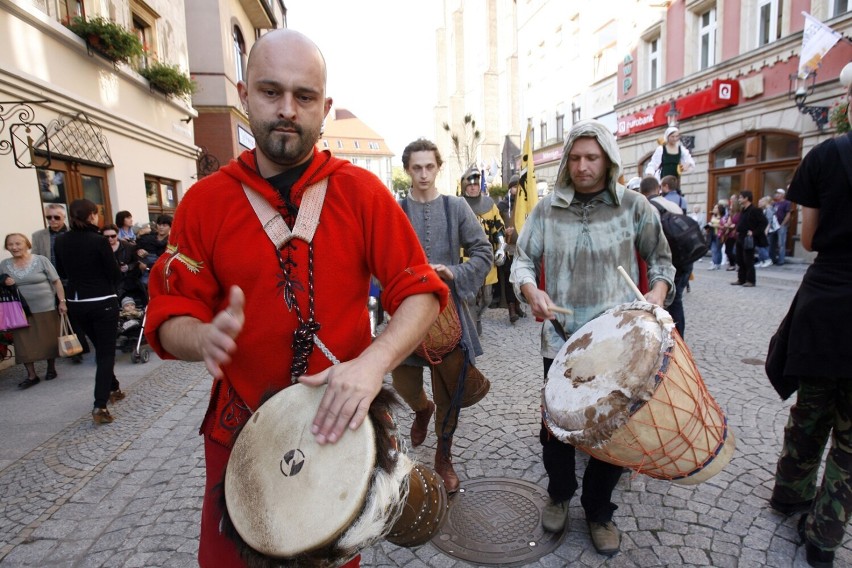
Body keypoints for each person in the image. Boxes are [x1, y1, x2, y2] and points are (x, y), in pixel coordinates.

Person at [143, 30, 446, 568]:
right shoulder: (203, 202)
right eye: (270, 92)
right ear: (243, 93)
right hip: (241, 431)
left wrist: (373, 363)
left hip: (338, 424)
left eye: (304, 97)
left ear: (323, 107)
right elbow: (169, 316)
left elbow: (421, 294)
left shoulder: (362, 193)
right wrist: (201, 336)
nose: (287, 110)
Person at [511, 119, 674, 556]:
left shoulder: (635, 207)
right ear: (566, 161)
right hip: (561, 340)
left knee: (611, 429)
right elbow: (522, 260)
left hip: (619, 343)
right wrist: (532, 290)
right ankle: (559, 494)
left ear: (608, 160)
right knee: (557, 426)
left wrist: (655, 298)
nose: (583, 167)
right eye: (576, 158)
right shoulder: (547, 210)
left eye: (592, 158)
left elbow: (662, 262)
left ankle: (600, 510)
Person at [770, 80, 852, 568]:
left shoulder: (824, 156)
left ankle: (789, 493)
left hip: (825, 304)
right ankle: (824, 536)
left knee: (811, 410)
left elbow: (808, 238)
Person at [393, 139, 492, 494]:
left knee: (449, 388)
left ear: (438, 168)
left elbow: (484, 251)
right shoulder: (396, 209)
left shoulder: (456, 207)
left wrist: (453, 272)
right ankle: (422, 409)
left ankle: (444, 456)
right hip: (406, 311)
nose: (423, 174)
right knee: (403, 380)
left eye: (429, 167)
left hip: (449, 313)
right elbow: (378, 259)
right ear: (408, 170)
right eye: (416, 167)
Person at [54, 199, 122, 424]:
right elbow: (113, 272)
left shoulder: (61, 240)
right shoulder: (98, 241)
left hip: (77, 303)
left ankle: (113, 388)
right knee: (105, 354)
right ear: (92, 216)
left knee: (101, 350)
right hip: (102, 300)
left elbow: (62, 271)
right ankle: (99, 404)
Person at [0, 233, 67, 388]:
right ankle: (31, 375)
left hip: (45, 306)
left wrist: (62, 302)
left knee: (48, 338)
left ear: (27, 244)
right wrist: (4, 282)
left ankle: (51, 368)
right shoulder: (4, 264)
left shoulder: (41, 260)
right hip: (18, 310)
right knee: (23, 342)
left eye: (18, 243)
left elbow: (56, 282)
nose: (14, 247)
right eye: (10, 244)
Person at [639, 176, 689, 337]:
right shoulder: (674, 204)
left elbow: (653, 245)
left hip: (665, 261)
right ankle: (679, 338)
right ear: (658, 189)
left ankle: (669, 338)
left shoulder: (647, 207)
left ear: (642, 191)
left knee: (662, 302)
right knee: (677, 300)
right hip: (683, 259)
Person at [460, 165, 505, 334]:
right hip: (466, 257)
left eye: (476, 185)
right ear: (465, 186)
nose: (473, 187)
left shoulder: (489, 205)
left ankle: (477, 317)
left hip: (486, 257)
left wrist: (501, 248)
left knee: (487, 298)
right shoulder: (459, 205)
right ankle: (471, 326)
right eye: (470, 185)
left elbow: (498, 228)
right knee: (470, 296)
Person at [496, 174, 526, 323]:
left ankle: (519, 305)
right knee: (509, 279)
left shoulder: (523, 204)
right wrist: (503, 231)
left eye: (518, 186)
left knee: (520, 277)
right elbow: (495, 225)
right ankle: (511, 308)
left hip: (522, 248)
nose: (516, 189)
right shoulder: (502, 206)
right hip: (508, 247)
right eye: (514, 186)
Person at [730, 190, 767, 288]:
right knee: (739, 259)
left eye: (741, 197)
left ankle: (750, 280)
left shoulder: (755, 210)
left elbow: (764, 222)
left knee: (748, 259)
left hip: (748, 238)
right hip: (740, 236)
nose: (739, 199)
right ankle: (741, 279)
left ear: (746, 198)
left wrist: (754, 232)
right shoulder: (743, 210)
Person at [103, 224, 146, 306]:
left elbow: (137, 262)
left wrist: (128, 267)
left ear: (117, 235)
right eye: (106, 237)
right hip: (109, 283)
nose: (110, 239)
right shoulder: (100, 248)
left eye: (113, 236)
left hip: (127, 282)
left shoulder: (128, 246)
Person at [135, 214, 172, 282]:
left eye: (164, 225)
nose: (161, 227)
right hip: (143, 274)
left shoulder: (171, 243)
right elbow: (136, 247)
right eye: (159, 224)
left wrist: (148, 265)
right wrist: (139, 251)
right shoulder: (148, 238)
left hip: (161, 274)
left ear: (170, 227)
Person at [31, 203, 68, 269]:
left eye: (56, 217)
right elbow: (35, 258)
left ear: (64, 217)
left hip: (71, 275)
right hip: (49, 276)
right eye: (49, 217)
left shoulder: (74, 233)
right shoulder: (37, 236)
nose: (52, 219)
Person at [770, 188, 792, 266]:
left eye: (778, 193)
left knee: (781, 243)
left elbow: (788, 214)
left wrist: (783, 224)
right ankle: (772, 259)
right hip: (774, 226)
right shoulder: (774, 204)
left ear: (782, 195)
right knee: (771, 243)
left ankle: (781, 260)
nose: (776, 195)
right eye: (776, 193)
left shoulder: (787, 203)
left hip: (781, 225)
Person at [757, 196, 778, 268]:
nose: (760, 203)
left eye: (762, 201)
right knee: (762, 245)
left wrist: (766, 230)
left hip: (769, 230)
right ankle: (762, 260)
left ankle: (767, 259)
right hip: (766, 230)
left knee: (763, 245)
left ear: (766, 202)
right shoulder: (765, 209)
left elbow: (769, 221)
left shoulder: (769, 209)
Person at [705, 202, 725, 270]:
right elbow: (710, 224)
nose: (714, 209)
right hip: (712, 234)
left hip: (719, 235)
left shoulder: (723, 217)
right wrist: (708, 226)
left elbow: (724, 226)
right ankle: (714, 263)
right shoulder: (713, 216)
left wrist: (715, 225)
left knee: (718, 250)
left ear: (720, 209)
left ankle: (718, 263)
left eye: (716, 208)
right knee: (714, 249)